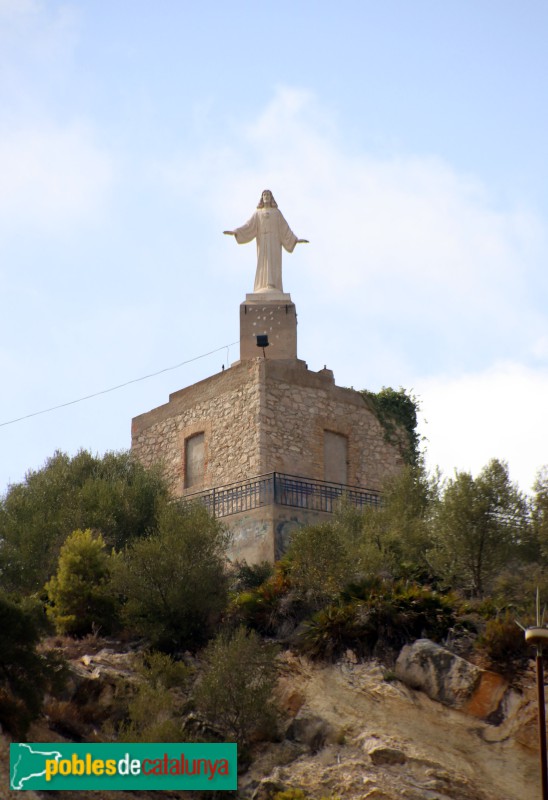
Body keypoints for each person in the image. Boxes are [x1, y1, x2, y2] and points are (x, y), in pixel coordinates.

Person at [224, 189, 308, 293]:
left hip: (274, 242)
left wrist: (295, 240)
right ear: (262, 198)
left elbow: (285, 229)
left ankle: (273, 285)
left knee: (273, 263)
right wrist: (236, 232)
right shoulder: (257, 214)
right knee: (263, 263)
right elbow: (248, 226)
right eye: (264, 195)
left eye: (268, 195)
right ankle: (262, 286)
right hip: (263, 241)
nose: (266, 196)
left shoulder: (276, 213)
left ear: (271, 197)